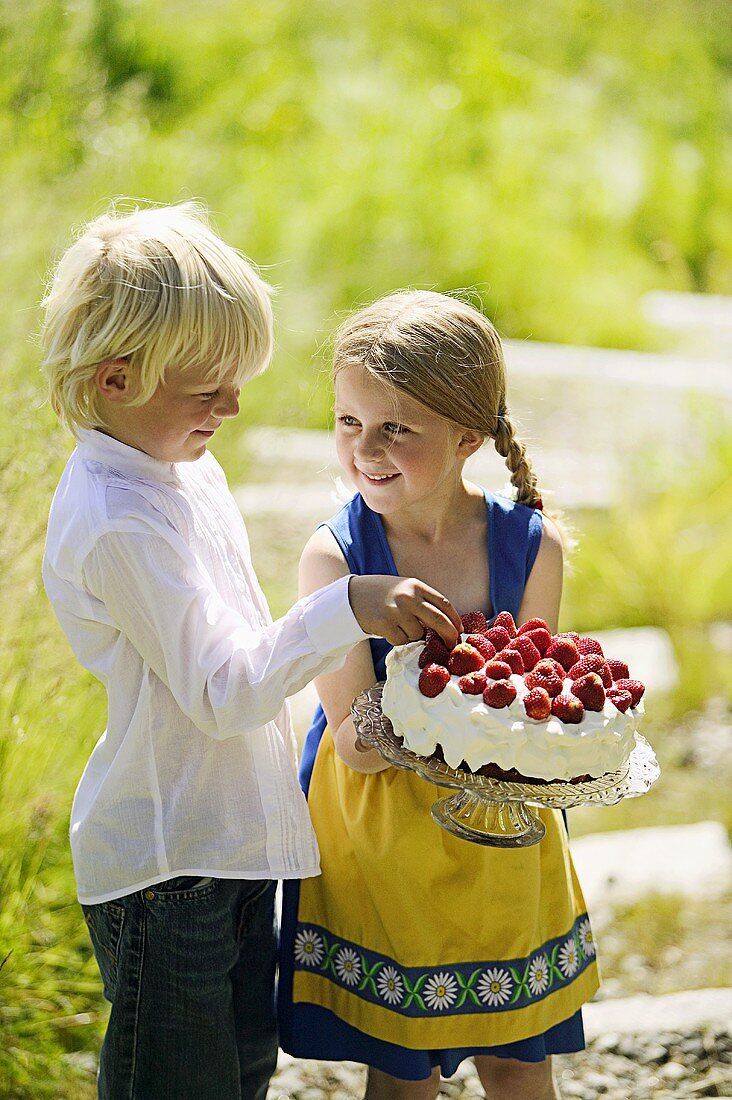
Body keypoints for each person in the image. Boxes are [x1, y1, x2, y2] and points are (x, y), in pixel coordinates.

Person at [40, 206, 461, 1100]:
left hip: (230, 844)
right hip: (169, 867)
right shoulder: (118, 519)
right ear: (117, 380)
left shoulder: (182, 469)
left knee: (238, 1070)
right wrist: (342, 605)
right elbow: (226, 691)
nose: (233, 407)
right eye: (208, 390)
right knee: (178, 1080)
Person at [278, 290, 600, 1100]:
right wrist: (438, 690)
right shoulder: (335, 561)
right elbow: (353, 740)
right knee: (403, 1067)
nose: (365, 448)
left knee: (521, 1062)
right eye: (349, 422)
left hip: (503, 835)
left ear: (467, 436)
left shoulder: (531, 547)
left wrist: (563, 730)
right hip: (384, 843)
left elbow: (535, 707)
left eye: (396, 428)